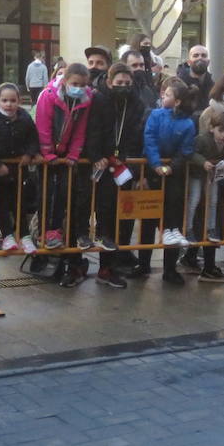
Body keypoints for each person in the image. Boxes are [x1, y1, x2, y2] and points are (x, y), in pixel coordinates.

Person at [34, 62, 95, 287]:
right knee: (48, 194)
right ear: (65, 81)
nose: (78, 88)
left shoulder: (85, 99)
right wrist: (48, 153)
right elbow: (43, 125)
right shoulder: (49, 96)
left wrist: (73, 154)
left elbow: (80, 130)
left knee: (64, 194)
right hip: (48, 155)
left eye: (82, 84)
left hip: (67, 155)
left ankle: (59, 233)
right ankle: (47, 231)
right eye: (74, 84)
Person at [86, 62, 146, 285]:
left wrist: (131, 160)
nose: (123, 87)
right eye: (119, 83)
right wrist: (96, 155)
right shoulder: (100, 100)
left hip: (125, 165)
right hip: (103, 164)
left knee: (123, 217)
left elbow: (136, 134)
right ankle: (104, 268)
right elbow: (93, 130)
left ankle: (116, 262)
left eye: (127, 83)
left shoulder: (137, 104)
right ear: (110, 83)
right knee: (105, 216)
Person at [142, 77, 198, 285]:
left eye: (167, 94)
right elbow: (149, 139)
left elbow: (186, 150)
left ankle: (170, 268)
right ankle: (143, 262)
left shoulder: (187, 124)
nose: (162, 96)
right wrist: (156, 164)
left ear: (176, 101)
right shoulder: (155, 115)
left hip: (175, 174)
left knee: (173, 220)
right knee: (148, 219)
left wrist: (171, 167)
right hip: (151, 171)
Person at [0, 82, 42, 262]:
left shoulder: (25, 119)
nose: (9, 104)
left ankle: (24, 235)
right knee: (2, 205)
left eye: (13, 100)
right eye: (4, 100)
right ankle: (7, 236)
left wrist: (29, 154)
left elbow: (33, 139)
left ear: (19, 101)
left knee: (20, 204)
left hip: (20, 171)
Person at [188, 109, 224, 283]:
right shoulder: (202, 139)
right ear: (211, 128)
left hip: (214, 175)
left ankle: (211, 228)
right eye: (220, 131)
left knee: (213, 201)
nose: (223, 135)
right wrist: (203, 162)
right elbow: (192, 153)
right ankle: (188, 228)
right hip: (198, 174)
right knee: (194, 200)